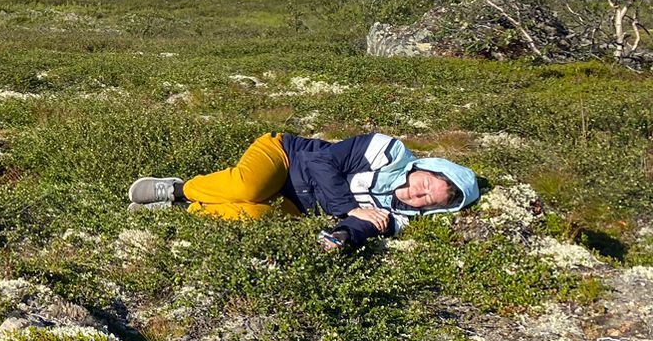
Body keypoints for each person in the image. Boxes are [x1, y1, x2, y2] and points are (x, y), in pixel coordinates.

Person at [128, 131, 479, 250]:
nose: (419, 195)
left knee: (254, 216)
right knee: (247, 187)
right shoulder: (388, 151)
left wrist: (342, 234)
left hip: (299, 205)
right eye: (426, 185)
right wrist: (348, 209)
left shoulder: (399, 218)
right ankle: (178, 190)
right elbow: (319, 163)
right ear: (428, 167)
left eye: (429, 200)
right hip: (285, 156)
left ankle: (185, 210)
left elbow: (363, 227)